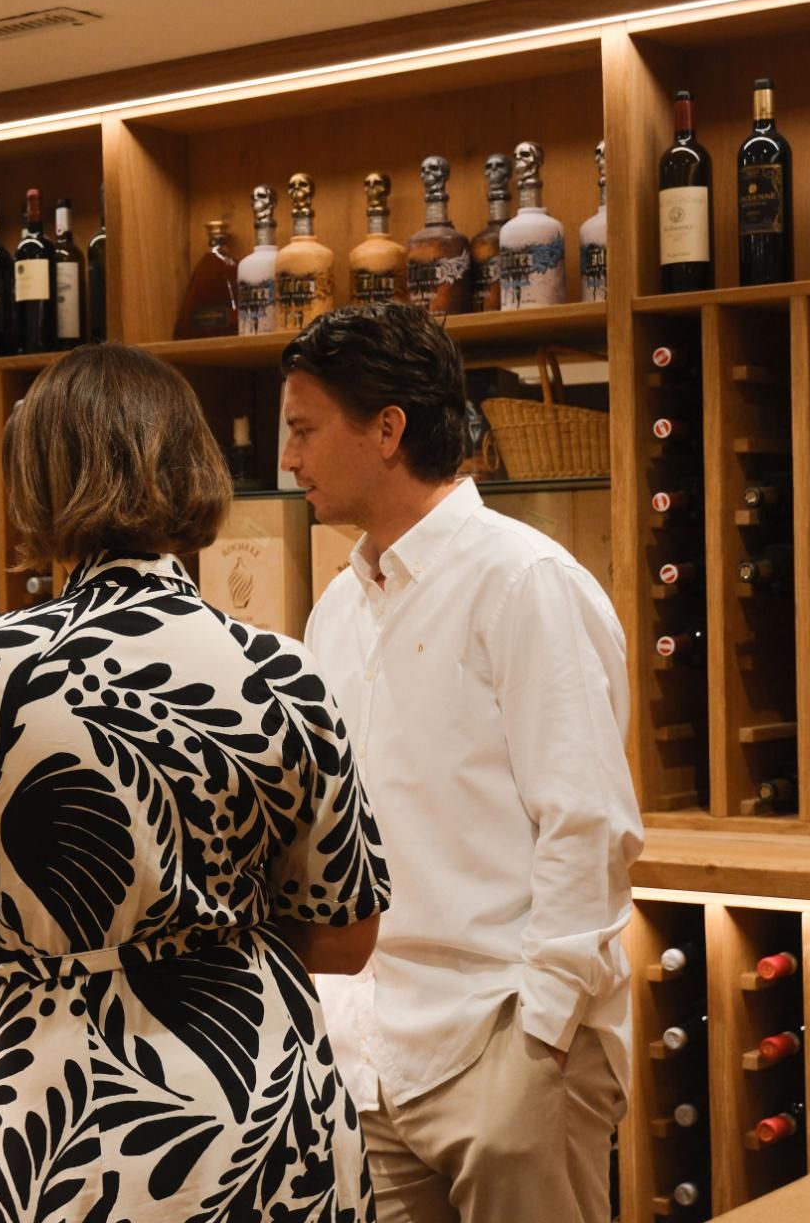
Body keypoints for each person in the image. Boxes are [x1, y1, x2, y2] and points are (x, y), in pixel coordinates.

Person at [0, 343, 391, 1223]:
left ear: (39, 479)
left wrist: (12, 907)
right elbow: (347, 937)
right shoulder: (284, 668)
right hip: (280, 1112)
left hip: (82, 1127)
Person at [281, 304, 642, 1223]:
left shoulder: (525, 582)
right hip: (367, 1054)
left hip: (506, 1044)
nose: (290, 459)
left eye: (305, 430)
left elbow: (588, 822)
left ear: (389, 429)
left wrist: (545, 1031)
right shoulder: (336, 610)